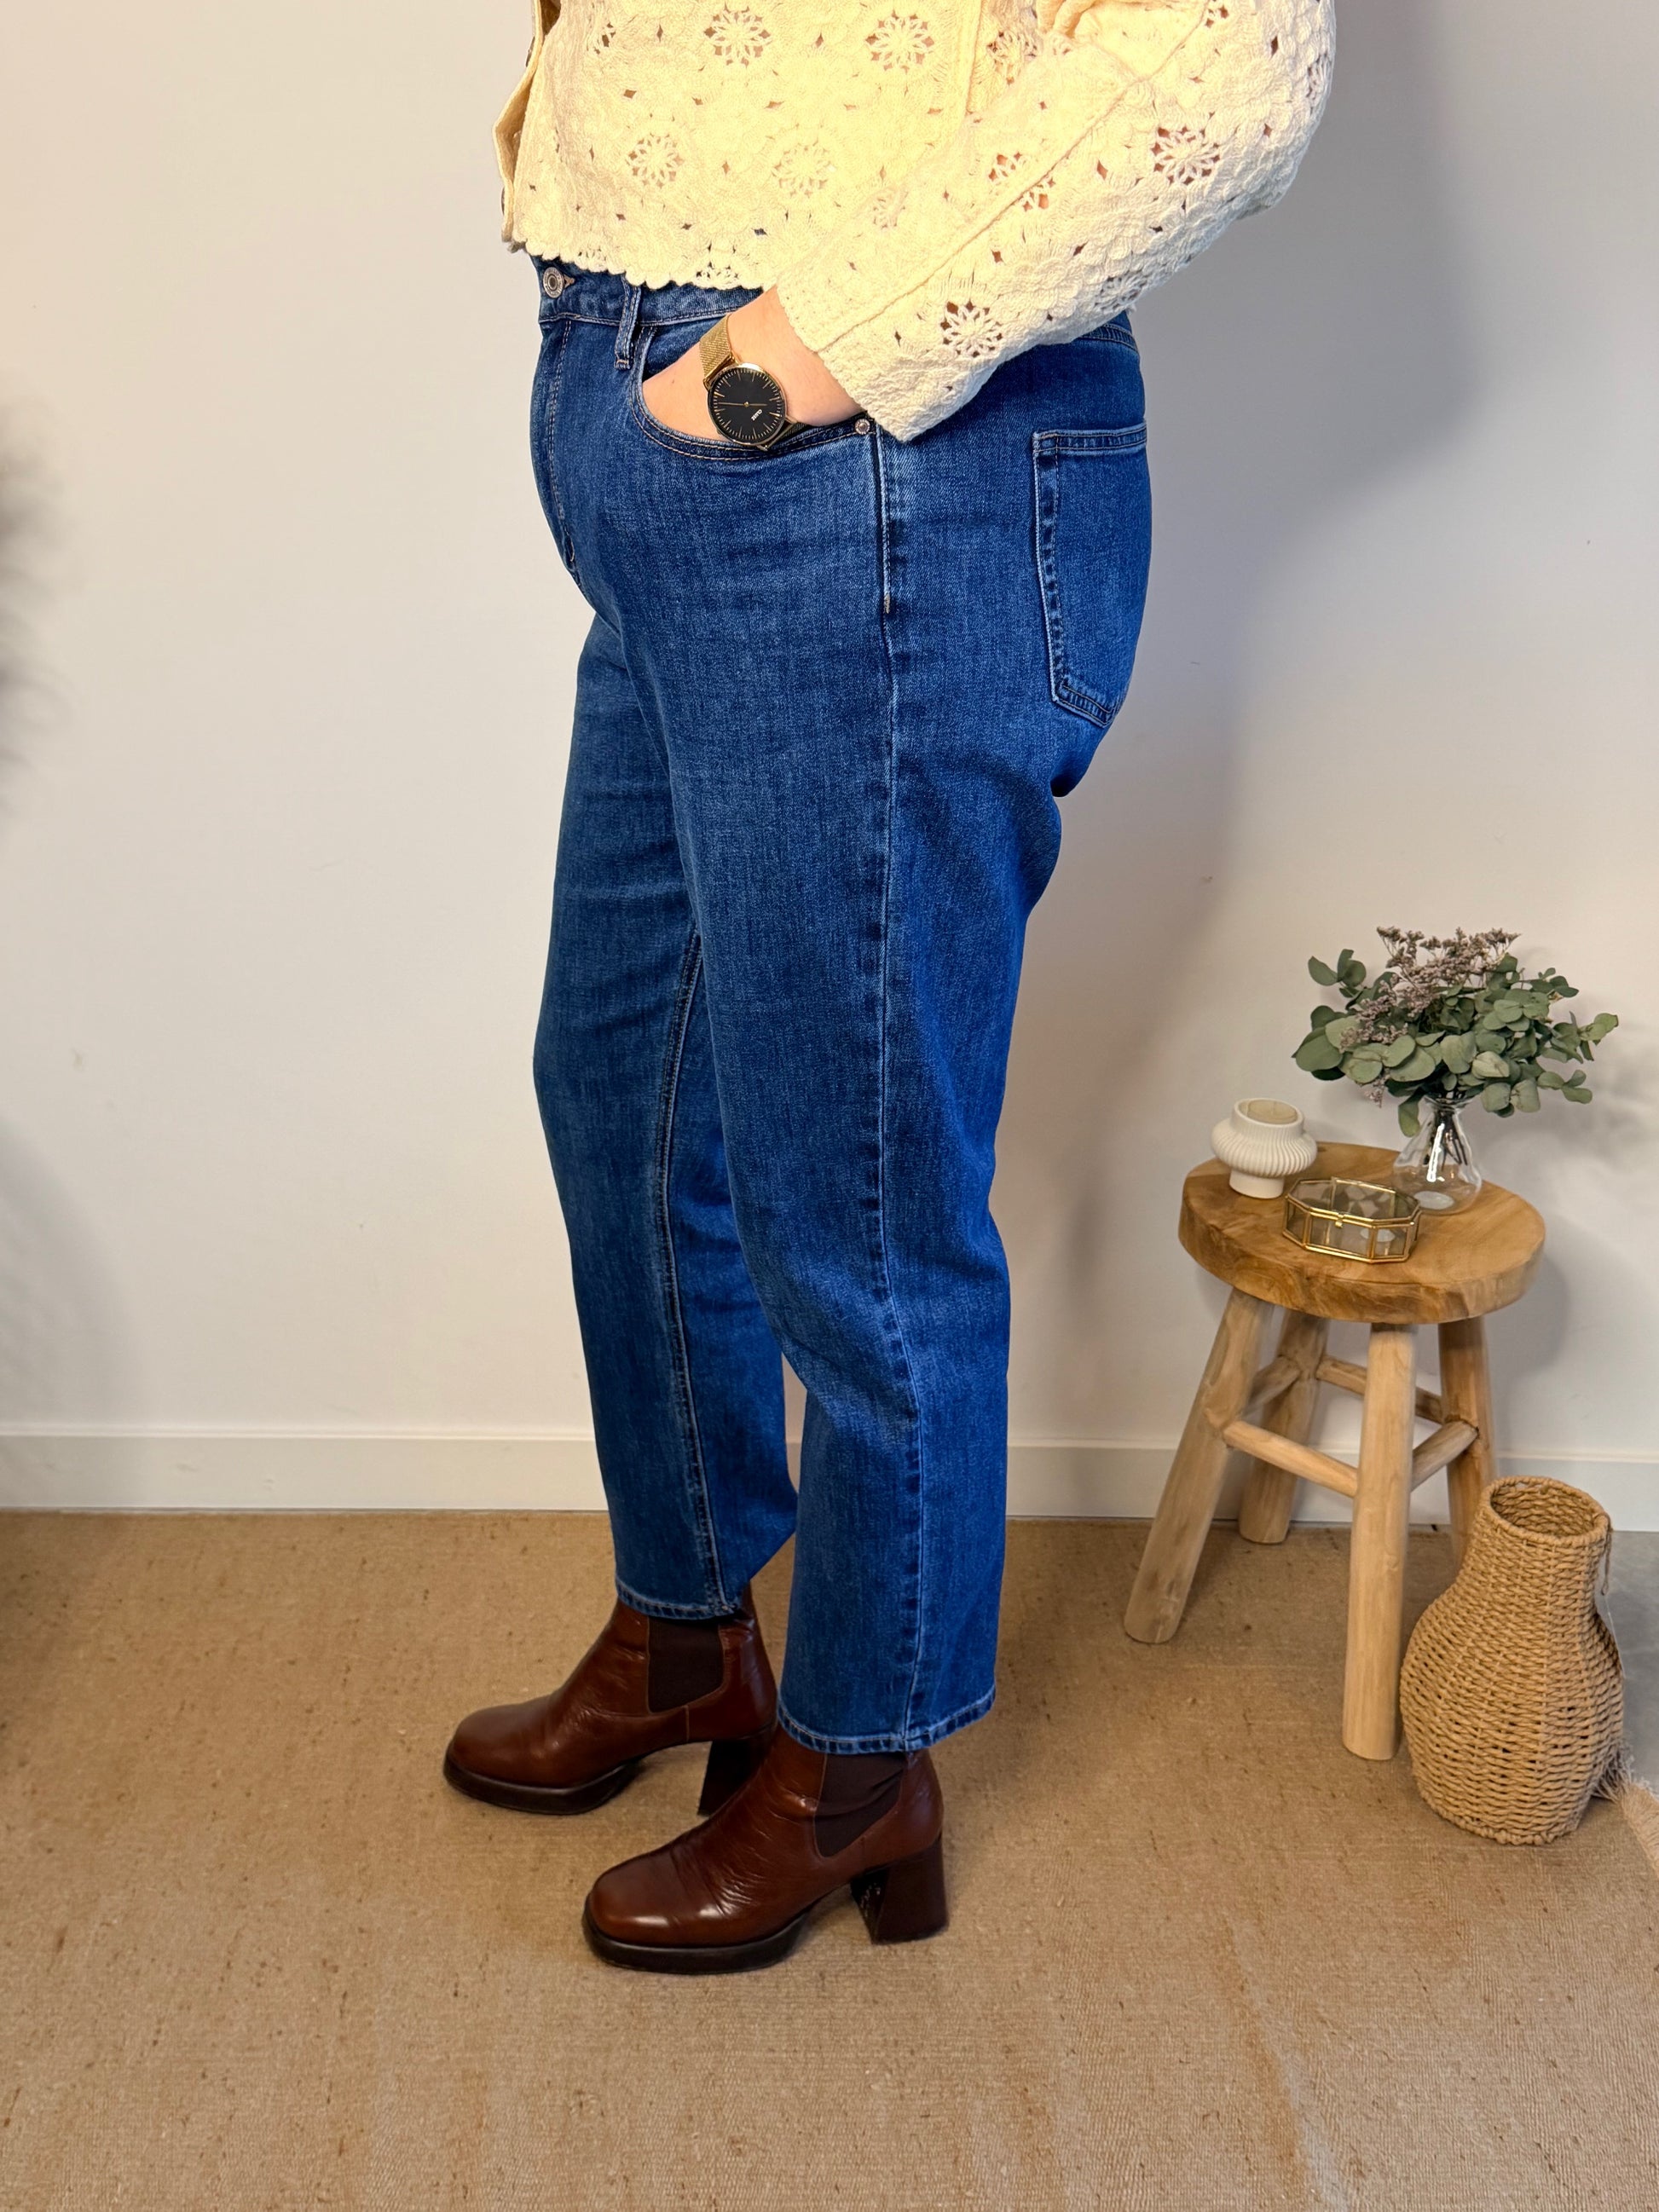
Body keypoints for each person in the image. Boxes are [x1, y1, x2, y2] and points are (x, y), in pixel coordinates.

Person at [445, 0, 1332, 1973]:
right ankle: (689, 1628)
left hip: (865, 467)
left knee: (851, 1196)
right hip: (687, 438)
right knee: (621, 1087)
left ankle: (861, 1760)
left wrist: (783, 364)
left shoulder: (807, 388)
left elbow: (1226, 63)